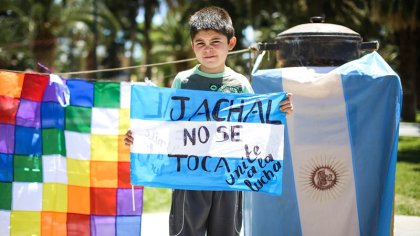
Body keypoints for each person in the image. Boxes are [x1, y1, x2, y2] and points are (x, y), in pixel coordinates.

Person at [125, 6, 293, 236]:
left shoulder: (240, 84)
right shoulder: (183, 82)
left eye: (216, 41)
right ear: (193, 46)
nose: (208, 49)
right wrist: (141, 136)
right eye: (200, 43)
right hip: (188, 178)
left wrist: (278, 111)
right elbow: (167, 125)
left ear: (231, 43)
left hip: (228, 180)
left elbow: (258, 127)